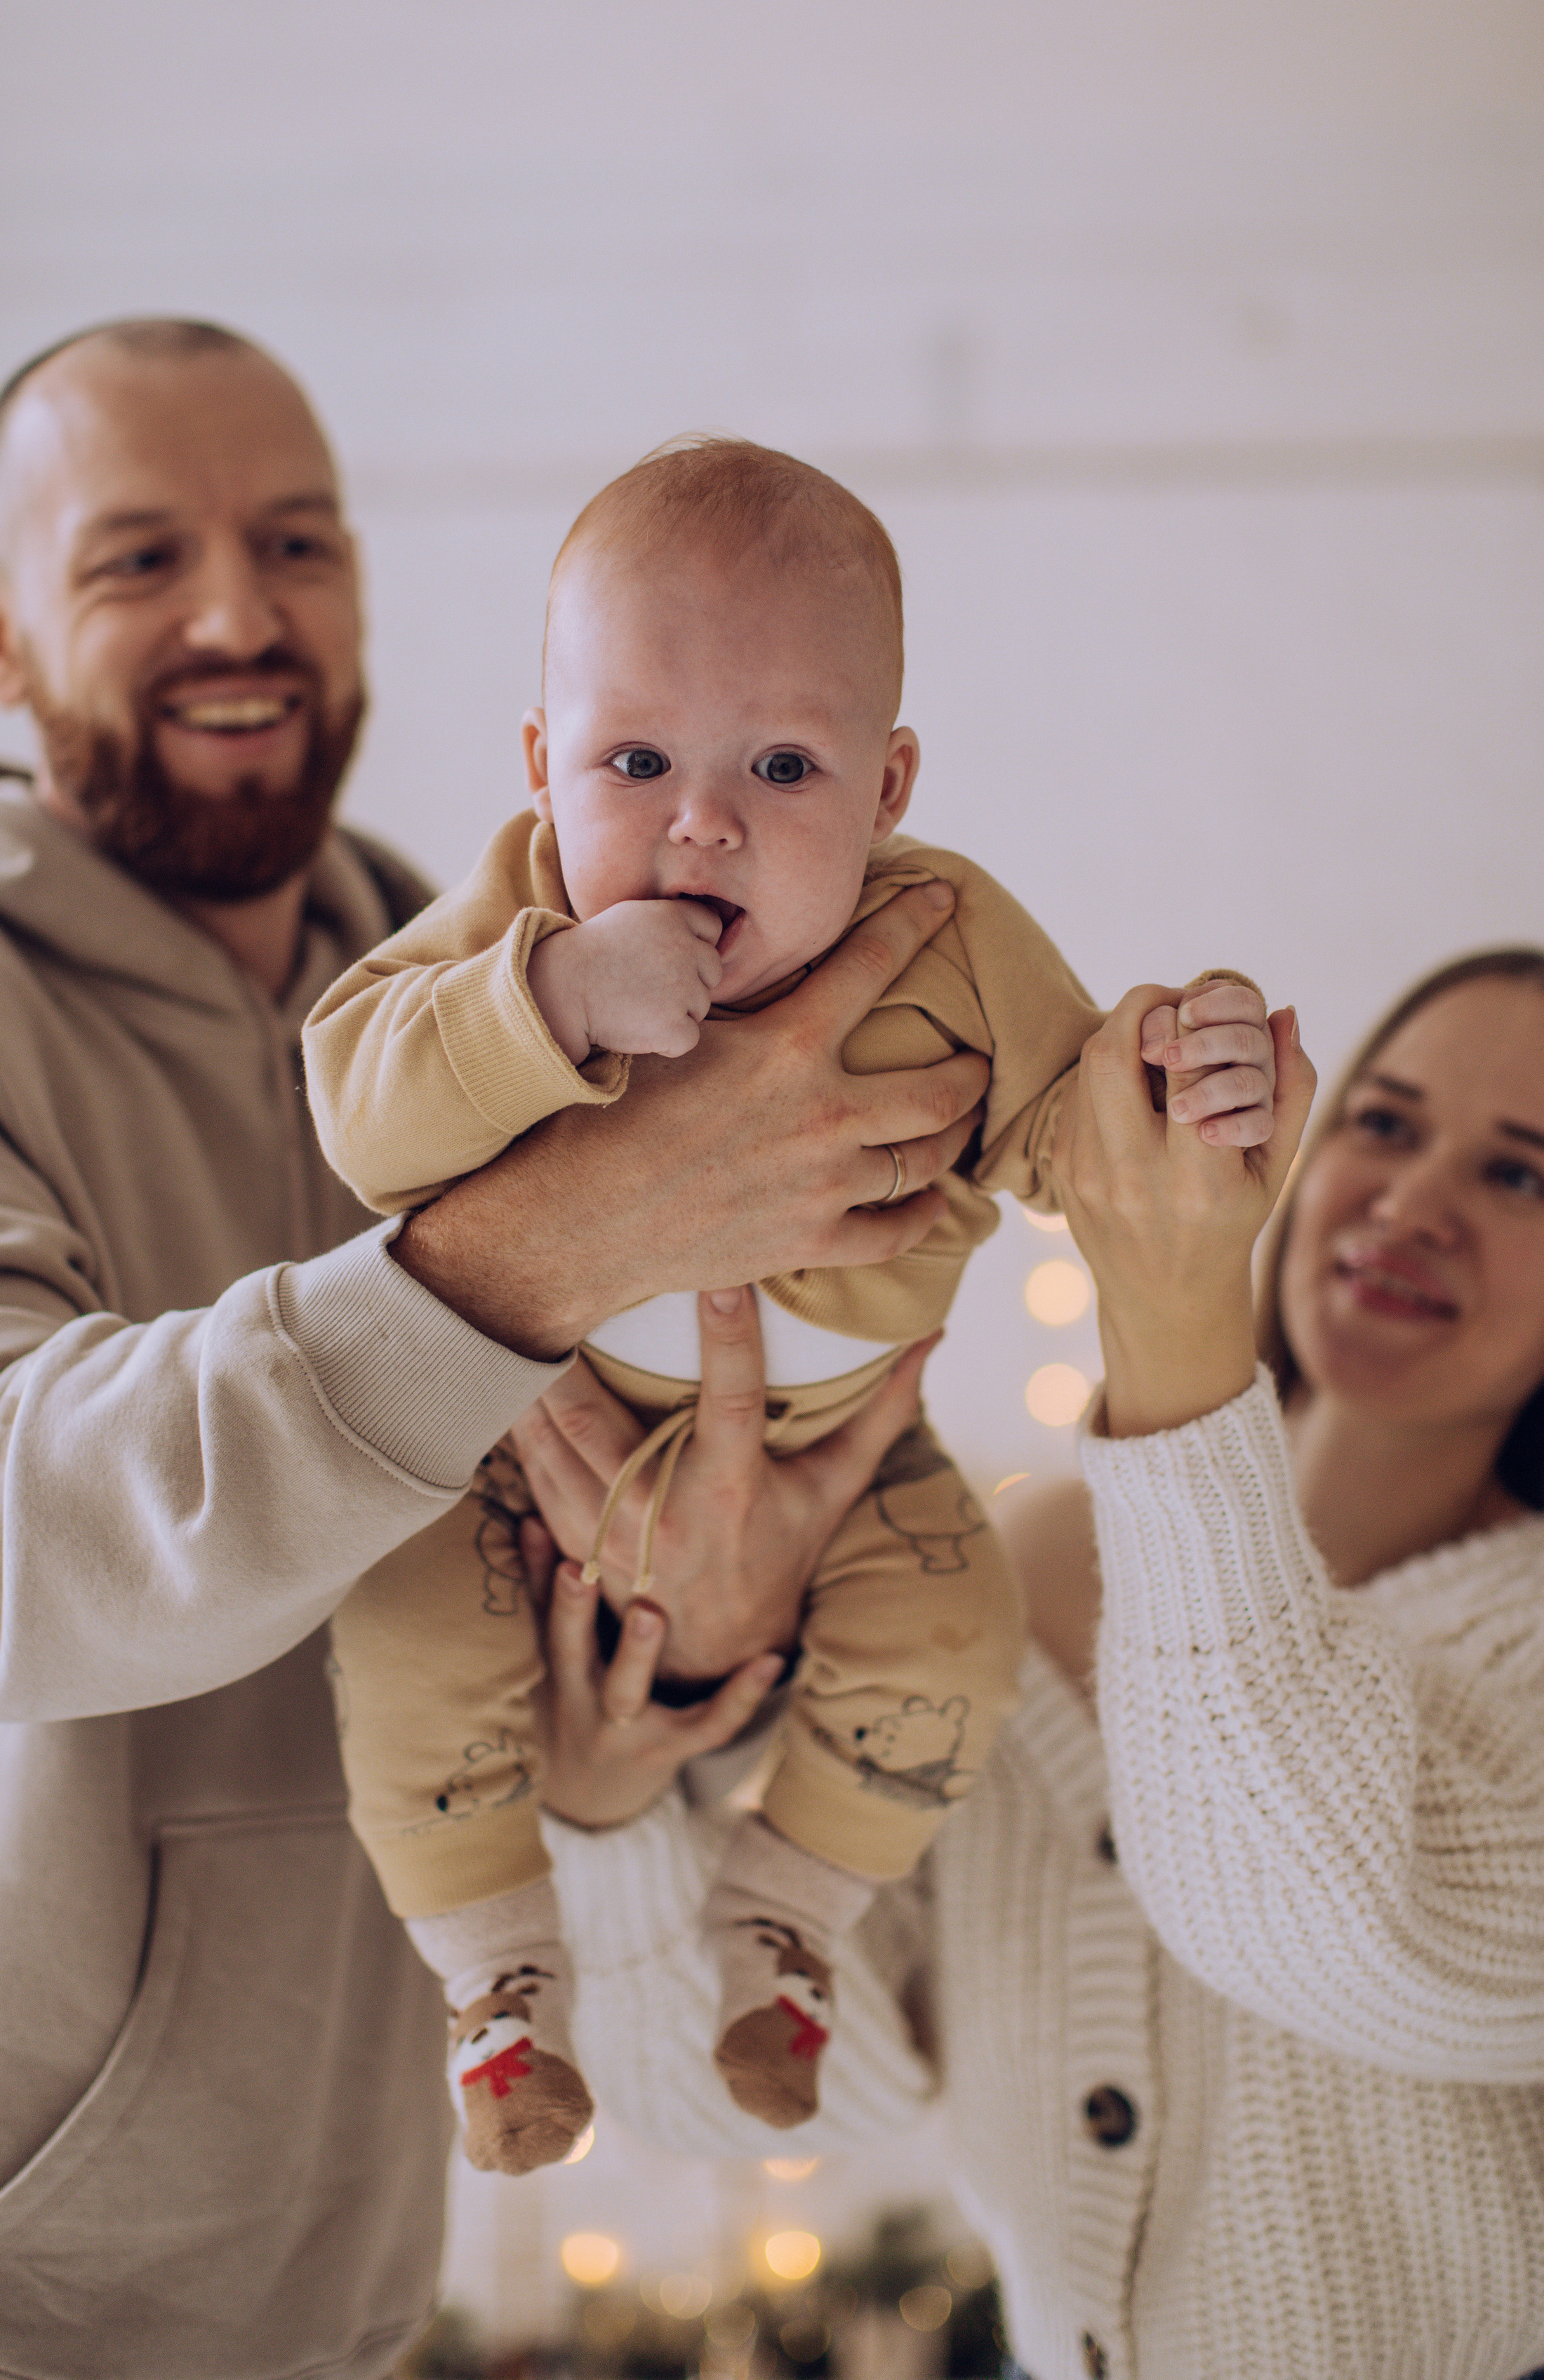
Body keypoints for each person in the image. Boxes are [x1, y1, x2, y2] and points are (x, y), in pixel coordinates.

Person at [0, 318, 1011, 2380]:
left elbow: (545, 1590)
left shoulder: (496, 980)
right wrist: (554, 1242)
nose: (237, 615)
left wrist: (682, 1668)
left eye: (298, 542)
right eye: (135, 560)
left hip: (350, 2284)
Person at [298, 437, 1277, 2174]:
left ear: (889, 784)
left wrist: (1168, 1074)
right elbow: (358, 1103)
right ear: (540, 768)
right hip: (522, 1464)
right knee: (398, 1624)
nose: (703, 818)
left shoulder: (949, 933)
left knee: (959, 1627)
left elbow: (1061, 1126)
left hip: (849, 1467)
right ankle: (496, 1976)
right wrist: (547, 999)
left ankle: (786, 1921)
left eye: (782, 762)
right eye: (635, 759)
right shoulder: (520, 916)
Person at [524, 950, 1544, 2380]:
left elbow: (1312, 1926)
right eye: (1386, 1125)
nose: (1412, 1205)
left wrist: (1171, 1323)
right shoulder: (1018, 1563)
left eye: (1519, 1178)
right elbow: (761, 2082)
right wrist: (615, 1801)